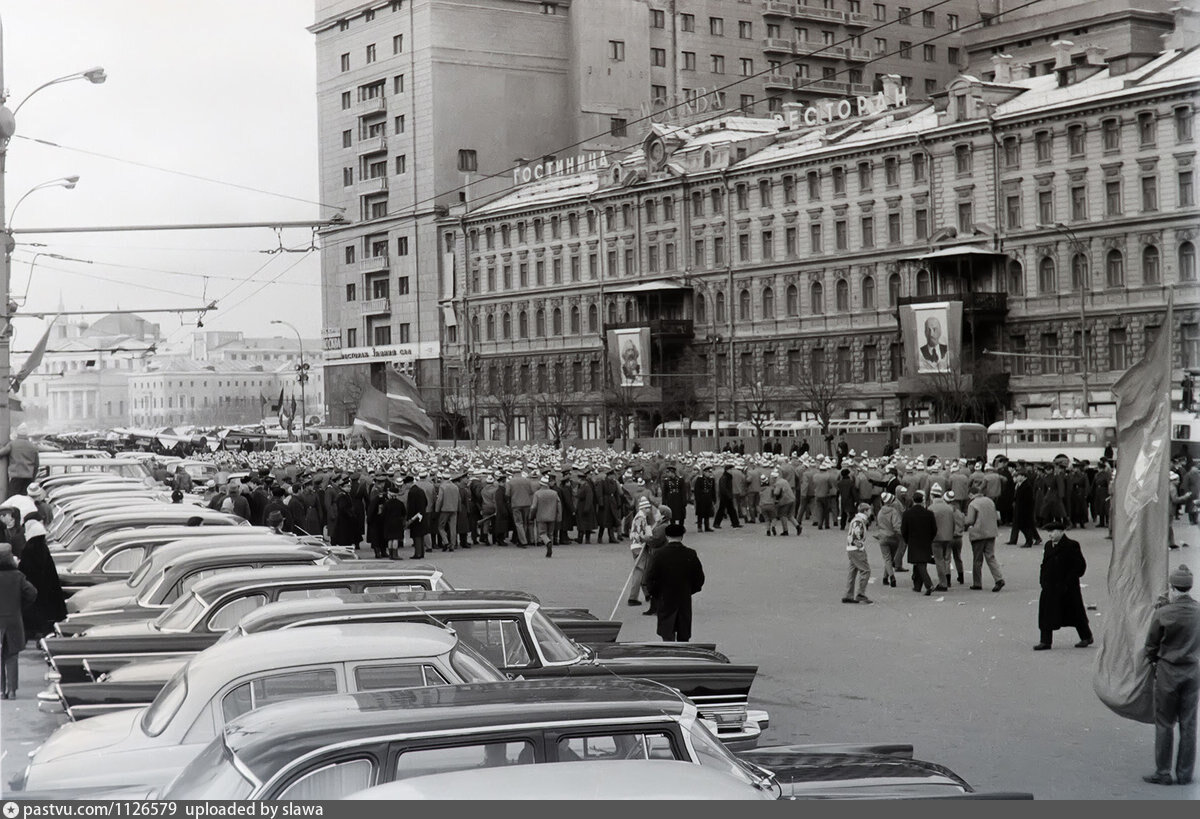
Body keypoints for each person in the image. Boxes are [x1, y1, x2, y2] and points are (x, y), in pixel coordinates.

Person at [1142, 564, 1198, 786]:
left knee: (1165, 722)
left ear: (1173, 588)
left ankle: (1163, 772)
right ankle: (1185, 773)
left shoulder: (1163, 613)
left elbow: (1150, 646)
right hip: (1193, 671)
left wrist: (1154, 661)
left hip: (1168, 670)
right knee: (1189, 723)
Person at [1033, 520, 1093, 650]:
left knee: (1075, 612)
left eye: (1053, 532)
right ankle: (1045, 641)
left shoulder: (1072, 545)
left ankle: (1086, 637)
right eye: (1048, 532)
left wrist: (1068, 582)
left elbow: (1080, 566)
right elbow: (1044, 564)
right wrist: (1042, 580)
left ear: (1061, 531)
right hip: (1049, 585)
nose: (1050, 535)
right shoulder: (1048, 546)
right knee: (1046, 612)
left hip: (1068, 587)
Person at [644, 522, 705, 642]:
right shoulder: (690, 554)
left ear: (667, 536)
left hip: (665, 598)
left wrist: (657, 593)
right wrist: (689, 590)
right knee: (683, 634)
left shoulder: (659, 554)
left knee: (667, 633)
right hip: (684, 598)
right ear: (682, 536)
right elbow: (699, 578)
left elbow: (649, 578)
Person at [17, 514, 66, 642]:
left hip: (34, 588)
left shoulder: (30, 548)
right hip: (47, 588)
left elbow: (25, 569)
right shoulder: (42, 547)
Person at [0, 543, 36, 699]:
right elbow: (32, 593)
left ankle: (1, 691)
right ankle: (12, 690)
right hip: (14, 620)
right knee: (12, 656)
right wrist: (21, 606)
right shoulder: (18, 576)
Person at [965, 487, 1004, 593]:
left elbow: (970, 520)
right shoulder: (990, 501)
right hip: (991, 533)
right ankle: (998, 578)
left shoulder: (973, 504)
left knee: (977, 560)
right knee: (991, 557)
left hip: (978, 534)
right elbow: (997, 517)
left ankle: (977, 583)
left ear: (971, 494)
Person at [900, 491, 937, 596]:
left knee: (919, 563)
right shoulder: (929, 513)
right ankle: (917, 586)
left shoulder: (907, 514)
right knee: (921, 562)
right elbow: (934, 529)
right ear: (922, 501)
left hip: (913, 540)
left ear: (913, 500)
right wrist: (930, 538)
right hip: (925, 540)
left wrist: (907, 540)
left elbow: (903, 530)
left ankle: (928, 584)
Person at [842, 503, 873, 604]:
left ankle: (848, 594)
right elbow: (856, 536)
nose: (870, 512)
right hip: (856, 549)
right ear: (865, 511)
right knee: (866, 570)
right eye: (869, 510)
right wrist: (861, 547)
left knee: (853, 571)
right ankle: (861, 593)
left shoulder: (856, 520)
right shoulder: (859, 522)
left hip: (850, 548)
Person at [0, 424, 39, 496]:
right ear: (27, 434)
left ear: (17, 433)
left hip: (16, 476)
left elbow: (1, 453)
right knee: (25, 497)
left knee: (13, 496)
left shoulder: (12, 444)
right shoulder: (33, 446)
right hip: (28, 477)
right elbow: (36, 465)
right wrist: (33, 477)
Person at [874, 491, 903, 588]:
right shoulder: (893, 512)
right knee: (890, 558)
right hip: (893, 538)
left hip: (882, 536)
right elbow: (897, 526)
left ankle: (887, 577)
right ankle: (890, 577)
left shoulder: (880, 512)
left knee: (887, 558)